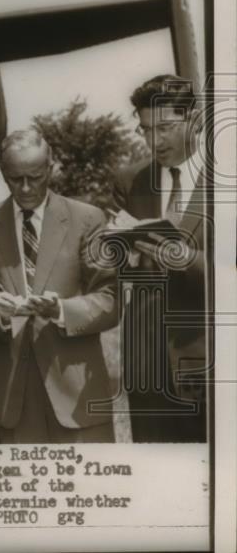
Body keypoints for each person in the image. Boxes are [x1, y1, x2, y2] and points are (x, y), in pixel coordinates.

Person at [0, 129, 118, 443]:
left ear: (50, 168)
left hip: (77, 397)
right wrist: (0, 313)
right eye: (15, 179)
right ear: (2, 175)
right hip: (13, 396)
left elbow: (109, 301)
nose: (26, 188)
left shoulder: (87, 219)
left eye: (35, 177)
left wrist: (60, 309)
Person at [113, 74, 207, 443]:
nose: (155, 140)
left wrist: (188, 260)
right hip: (148, 366)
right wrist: (122, 253)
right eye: (146, 130)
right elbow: (120, 276)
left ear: (196, 119)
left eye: (165, 127)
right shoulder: (131, 181)